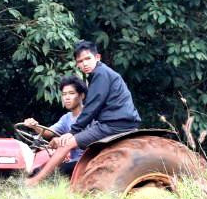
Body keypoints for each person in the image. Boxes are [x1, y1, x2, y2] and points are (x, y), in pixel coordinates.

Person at [26, 40, 141, 187]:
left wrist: (73, 132)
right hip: (113, 122)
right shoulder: (98, 75)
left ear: (97, 57)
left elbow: (92, 107)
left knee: (66, 144)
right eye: (80, 61)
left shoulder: (101, 74)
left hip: (115, 124)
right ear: (77, 64)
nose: (84, 63)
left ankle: (34, 181)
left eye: (88, 59)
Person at [22, 75, 87, 177]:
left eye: (71, 93)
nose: (67, 97)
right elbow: (48, 132)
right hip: (73, 160)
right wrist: (35, 126)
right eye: (64, 94)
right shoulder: (67, 118)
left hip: (86, 160)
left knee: (51, 174)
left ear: (81, 96)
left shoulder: (89, 114)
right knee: (36, 171)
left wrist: (61, 140)